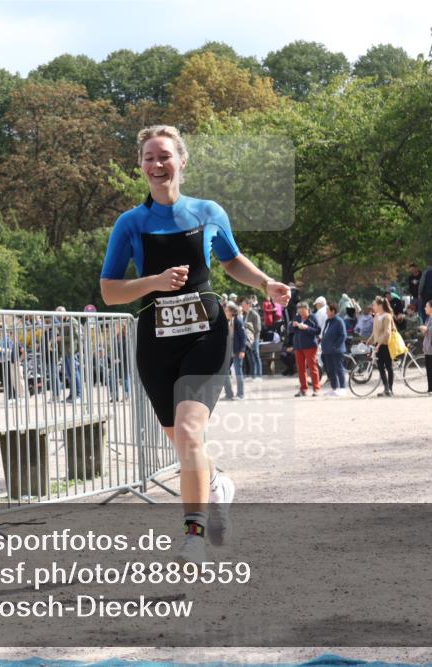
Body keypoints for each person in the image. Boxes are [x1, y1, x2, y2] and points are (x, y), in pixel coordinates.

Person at [99, 124, 291, 564]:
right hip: (156, 341)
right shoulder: (131, 223)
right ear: (141, 165)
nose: (156, 164)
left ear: (182, 161)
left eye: (164, 156)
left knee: (188, 431)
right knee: (184, 443)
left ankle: (192, 535)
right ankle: (218, 484)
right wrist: (155, 282)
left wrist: (265, 283)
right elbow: (110, 290)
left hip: (206, 334)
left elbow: (231, 259)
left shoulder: (207, 212)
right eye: (149, 157)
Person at [290, 302, 321, 397]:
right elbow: (290, 330)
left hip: (310, 346)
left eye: (303, 311)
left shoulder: (313, 317)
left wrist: (307, 328)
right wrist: (293, 326)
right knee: (300, 369)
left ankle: (316, 389)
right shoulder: (297, 317)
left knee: (312, 367)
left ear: (307, 310)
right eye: (299, 311)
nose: (301, 314)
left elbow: (318, 330)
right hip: (298, 346)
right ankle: (303, 389)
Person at [320, 302, 348, 397]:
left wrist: (336, 346)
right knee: (330, 370)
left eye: (328, 310)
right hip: (327, 350)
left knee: (339, 369)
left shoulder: (339, 321)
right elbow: (325, 333)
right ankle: (334, 388)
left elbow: (343, 335)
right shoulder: (328, 321)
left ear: (333, 311)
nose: (326, 312)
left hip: (337, 350)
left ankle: (343, 388)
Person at [370, 296, 395, 397]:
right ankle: (386, 388)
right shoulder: (376, 316)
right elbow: (374, 332)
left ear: (380, 305)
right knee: (380, 367)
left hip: (385, 344)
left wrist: (379, 344)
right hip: (378, 344)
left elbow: (387, 332)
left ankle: (389, 389)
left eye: (374, 305)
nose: (373, 306)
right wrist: (369, 341)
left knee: (388, 366)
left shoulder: (387, 316)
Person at [222, 302, 246, 400]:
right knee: (224, 373)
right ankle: (229, 394)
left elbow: (243, 337)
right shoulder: (227, 321)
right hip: (228, 352)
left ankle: (240, 394)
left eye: (227, 310)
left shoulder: (238, 321)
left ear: (232, 312)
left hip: (237, 351)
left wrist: (242, 350)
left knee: (238, 372)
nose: (225, 312)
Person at [241, 297, 262, 380]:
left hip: (254, 338)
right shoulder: (244, 315)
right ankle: (253, 375)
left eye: (243, 304)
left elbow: (258, 329)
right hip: (247, 339)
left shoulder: (254, 314)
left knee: (256, 355)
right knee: (250, 357)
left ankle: (259, 375)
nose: (242, 306)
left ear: (248, 305)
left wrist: (253, 341)